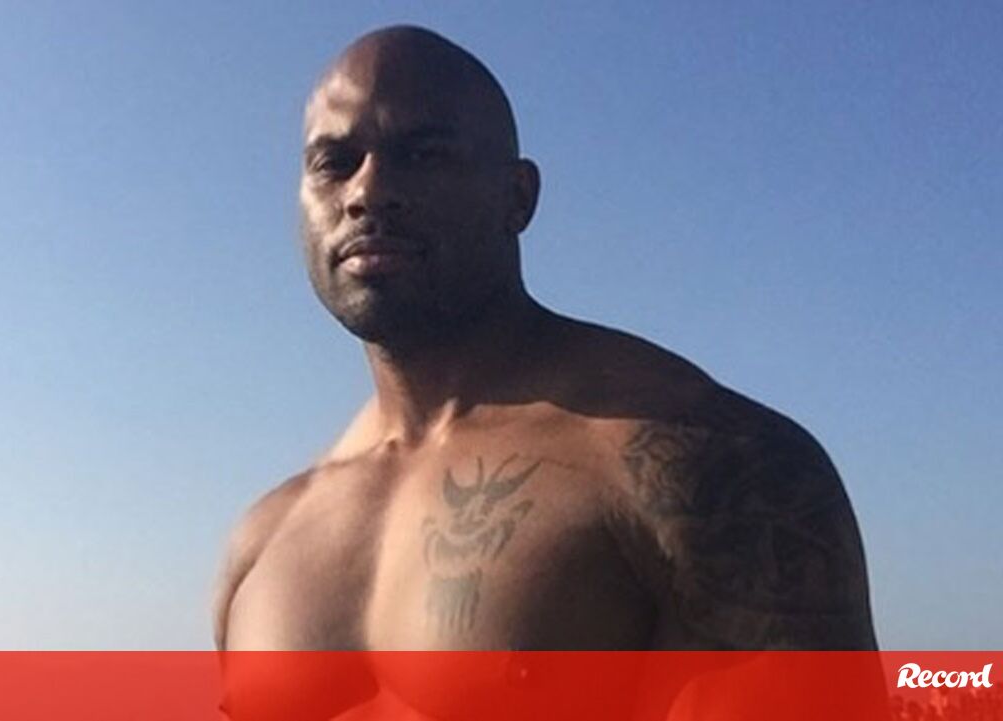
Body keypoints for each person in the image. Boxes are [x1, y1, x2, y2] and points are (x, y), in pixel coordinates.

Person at [212, 22, 878, 719]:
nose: (368, 191)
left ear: (518, 197)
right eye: (334, 162)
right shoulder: (264, 539)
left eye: (424, 154)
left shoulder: (706, 466)